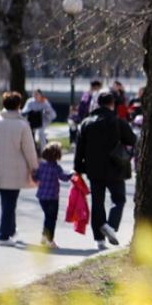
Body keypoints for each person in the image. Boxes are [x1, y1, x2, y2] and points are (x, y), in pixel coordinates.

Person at [74, 91, 137, 250]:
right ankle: (110, 226)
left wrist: (78, 168)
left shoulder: (86, 123)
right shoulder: (118, 122)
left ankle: (99, 240)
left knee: (97, 202)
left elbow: (79, 148)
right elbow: (132, 139)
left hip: (93, 170)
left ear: (97, 104)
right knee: (118, 199)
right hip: (115, 167)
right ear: (112, 104)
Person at [0, 91, 39, 246]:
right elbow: (29, 150)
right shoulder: (22, 124)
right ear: (19, 105)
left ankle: (12, 230)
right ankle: (3, 235)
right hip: (16, 170)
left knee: (7, 201)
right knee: (9, 203)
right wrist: (35, 167)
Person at [32, 142, 73, 248]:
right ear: (57, 155)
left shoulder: (40, 165)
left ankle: (44, 238)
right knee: (52, 219)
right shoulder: (56, 167)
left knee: (48, 217)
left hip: (42, 196)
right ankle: (49, 240)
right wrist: (72, 173)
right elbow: (64, 177)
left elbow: (35, 177)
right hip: (52, 198)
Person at [22, 89, 57, 154]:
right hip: (32, 121)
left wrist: (46, 110)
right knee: (29, 134)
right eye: (34, 94)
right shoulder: (30, 102)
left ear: (40, 95)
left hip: (42, 121)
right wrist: (31, 111)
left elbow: (53, 115)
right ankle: (31, 150)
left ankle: (43, 151)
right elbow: (24, 111)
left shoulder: (44, 102)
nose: (35, 96)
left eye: (37, 94)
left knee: (41, 133)